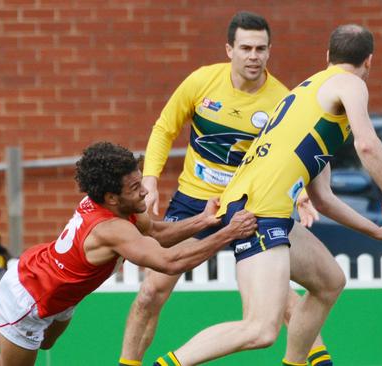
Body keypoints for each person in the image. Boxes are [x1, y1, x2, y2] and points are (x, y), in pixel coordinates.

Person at [153, 24, 382, 366]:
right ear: (369, 61)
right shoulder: (350, 83)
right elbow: (368, 144)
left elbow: (323, 197)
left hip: (264, 205)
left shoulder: (307, 95)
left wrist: (375, 230)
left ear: (327, 56)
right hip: (256, 211)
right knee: (259, 329)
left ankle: (296, 362)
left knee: (330, 281)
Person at [0, 142, 257, 366]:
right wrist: (227, 233)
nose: (144, 191)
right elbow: (170, 260)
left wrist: (204, 220)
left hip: (47, 282)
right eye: (135, 186)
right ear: (112, 197)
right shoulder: (112, 228)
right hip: (31, 299)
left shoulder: (118, 205)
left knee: (48, 338)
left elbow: (158, 232)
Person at [120, 11, 331, 366]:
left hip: (251, 207)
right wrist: (152, 179)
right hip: (194, 204)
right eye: (246, 47)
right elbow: (163, 128)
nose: (254, 56)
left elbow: (292, 155)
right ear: (229, 49)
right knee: (150, 292)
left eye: (261, 48)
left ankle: (319, 362)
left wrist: (304, 196)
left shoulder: (281, 99)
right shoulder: (202, 81)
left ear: (269, 52)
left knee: (283, 302)